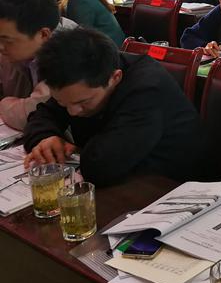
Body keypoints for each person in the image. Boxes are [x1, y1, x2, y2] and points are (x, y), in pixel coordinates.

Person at [23, 28, 204, 187]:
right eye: (62, 103)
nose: (72, 112)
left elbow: (101, 167)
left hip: (176, 187)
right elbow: (42, 115)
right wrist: (46, 138)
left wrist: (77, 150)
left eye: (83, 103)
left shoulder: (147, 89)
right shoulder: (75, 85)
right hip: (128, 180)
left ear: (115, 78)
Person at [0, 0, 76, 130]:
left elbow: (33, 115)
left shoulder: (70, 55)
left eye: (6, 40)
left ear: (43, 34)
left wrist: (3, 103)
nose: (1, 47)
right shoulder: (13, 43)